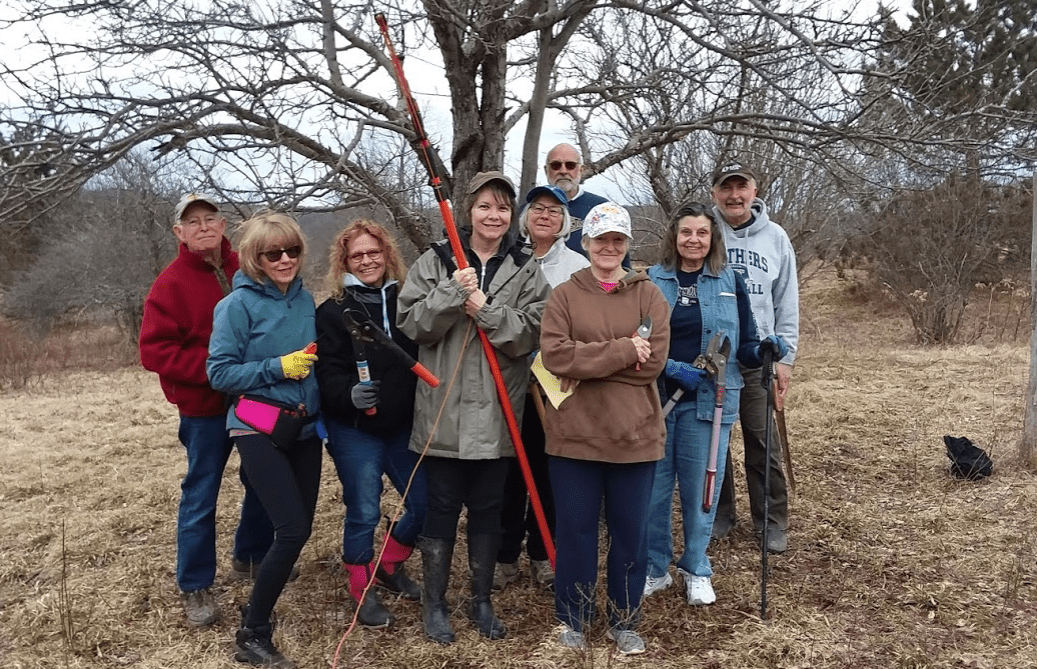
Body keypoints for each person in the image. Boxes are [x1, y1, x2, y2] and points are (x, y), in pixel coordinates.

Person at [397, 171, 551, 645]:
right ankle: (435, 605)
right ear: (468, 212)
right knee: (441, 508)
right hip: (443, 412)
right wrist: (450, 293)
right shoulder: (435, 260)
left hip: (498, 414)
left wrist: (485, 309)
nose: (494, 215)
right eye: (485, 206)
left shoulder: (526, 267)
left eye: (503, 207)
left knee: (489, 509)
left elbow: (532, 331)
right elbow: (410, 324)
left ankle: (481, 601)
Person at [539, 202, 670, 656]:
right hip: (573, 437)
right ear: (586, 242)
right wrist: (620, 350)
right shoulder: (564, 295)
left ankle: (625, 620)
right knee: (575, 533)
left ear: (627, 244)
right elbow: (555, 357)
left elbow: (649, 367)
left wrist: (588, 361)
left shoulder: (648, 295)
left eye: (618, 239)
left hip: (635, 436)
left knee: (630, 534)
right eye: (601, 238)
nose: (609, 246)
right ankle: (573, 618)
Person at [139, 193, 274, 628]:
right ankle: (195, 584)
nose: (203, 226)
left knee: (261, 479)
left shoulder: (247, 268)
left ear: (223, 225)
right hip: (205, 409)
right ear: (179, 232)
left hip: (254, 401)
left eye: (210, 218)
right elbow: (154, 351)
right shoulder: (170, 284)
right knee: (201, 493)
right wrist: (218, 372)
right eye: (192, 221)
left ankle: (251, 556)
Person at [643, 203, 787, 606]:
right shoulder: (652, 280)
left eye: (702, 233)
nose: (693, 240)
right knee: (653, 490)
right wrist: (670, 368)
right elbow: (640, 342)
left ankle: (696, 568)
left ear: (712, 239)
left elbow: (743, 346)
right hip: (655, 402)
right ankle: (656, 568)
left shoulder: (729, 280)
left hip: (712, 402)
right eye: (686, 232)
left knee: (702, 489)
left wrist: (764, 350)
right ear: (674, 236)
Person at [207, 211, 321, 669]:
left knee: (301, 530)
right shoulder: (236, 305)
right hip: (255, 425)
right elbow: (218, 372)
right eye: (273, 252)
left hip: (305, 427)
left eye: (292, 250)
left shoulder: (307, 300)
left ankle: (254, 612)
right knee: (291, 529)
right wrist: (278, 367)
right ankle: (253, 634)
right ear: (255, 257)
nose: (284, 259)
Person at [314, 219, 426, 629]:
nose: (366, 260)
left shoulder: (408, 300)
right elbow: (326, 371)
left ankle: (390, 563)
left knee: (424, 502)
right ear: (344, 261)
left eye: (373, 253)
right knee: (363, 507)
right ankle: (361, 585)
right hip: (354, 430)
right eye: (357, 255)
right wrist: (348, 395)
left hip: (401, 427)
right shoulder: (332, 311)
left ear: (387, 255)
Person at [494, 185, 589, 592]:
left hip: (554, 382)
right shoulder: (509, 259)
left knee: (548, 468)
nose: (545, 216)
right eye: (537, 209)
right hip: (511, 375)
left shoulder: (577, 265)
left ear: (565, 220)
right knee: (511, 470)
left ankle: (542, 555)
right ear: (526, 217)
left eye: (554, 210)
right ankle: (504, 555)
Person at [710, 163, 800, 554]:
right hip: (713, 356)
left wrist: (786, 358)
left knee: (763, 441)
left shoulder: (776, 238)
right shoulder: (705, 232)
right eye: (725, 187)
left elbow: (787, 300)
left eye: (741, 186)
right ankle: (719, 514)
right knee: (714, 441)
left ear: (754, 189)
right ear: (714, 192)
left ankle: (772, 520)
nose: (734, 195)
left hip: (759, 356)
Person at [543, 143, 608, 256]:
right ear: (546, 170)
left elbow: (621, 263)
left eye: (570, 165)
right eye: (556, 165)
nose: (563, 171)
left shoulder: (602, 209)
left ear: (581, 170)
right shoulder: (530, 211)